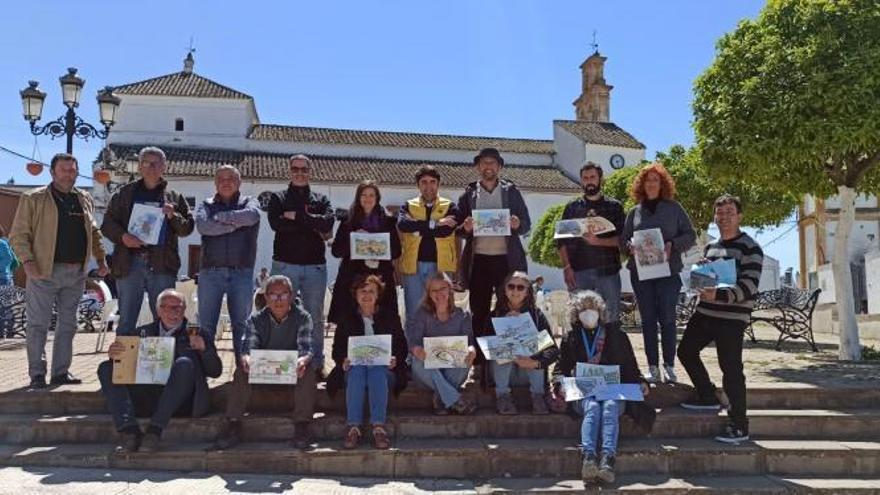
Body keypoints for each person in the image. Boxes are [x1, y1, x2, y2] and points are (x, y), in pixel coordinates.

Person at [10, 153, 108, 388]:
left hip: (76, 273)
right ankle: (36, 374)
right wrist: (28, 263)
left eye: (72, 170)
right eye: (63, 170)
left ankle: (60, 373)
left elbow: (93, 232)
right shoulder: (33, 198)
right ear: (52, 172)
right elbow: (19, 234)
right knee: (37, 324)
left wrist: (101, 258)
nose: (68, 174)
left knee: (68, 324)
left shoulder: (84, 198)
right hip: (44, 271)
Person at [678, 194, 764, 444]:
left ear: (740, 216)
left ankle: (739, 424)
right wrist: (702, 273)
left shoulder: (751, 248)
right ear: (715, 217)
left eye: (729, 211)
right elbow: (709, 279)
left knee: (731, 369)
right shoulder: (711, 247)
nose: (724, 216)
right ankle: (707, 394)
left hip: (732, 318)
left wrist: (720, 294)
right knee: (685, 351)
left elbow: (749, 287)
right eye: (720, 212)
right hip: (705, 312)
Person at [97, 289, 222, 452]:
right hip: (147, 395)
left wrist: (204, 350)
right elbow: (124, 366)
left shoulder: (197, 332)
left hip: (180, 400)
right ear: (158, 310)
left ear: (184, 310)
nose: (172, 312)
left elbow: (216, 371)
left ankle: (154, 431)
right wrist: (116, 355)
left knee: (184, 363)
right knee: (106, 368)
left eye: (178, 307)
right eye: (166, 307)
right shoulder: (141, 332)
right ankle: (129, 430)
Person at [551, 290, 653, 485]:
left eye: (592, 308)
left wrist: (641, 382)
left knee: (610, 407)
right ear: (575, 313)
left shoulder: (618, 336)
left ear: (601, 311)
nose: (588, 313)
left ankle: (608, 460)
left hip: (613, 391)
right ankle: (588, 457)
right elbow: (559, 369)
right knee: (592, 407)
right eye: (583, 309)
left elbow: (631, 367)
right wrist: (559, 385)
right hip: (584, 392)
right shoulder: (571, 337)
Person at [214, 275, 317, 450]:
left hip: (291, 374)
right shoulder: (255, 319)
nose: (278, 300)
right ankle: (233, 423)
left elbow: (306, 348)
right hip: (264, 374)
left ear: (291, 296)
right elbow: (248, 347)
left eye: (283, 294)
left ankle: (302, 425)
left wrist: (303, 360)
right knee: (240, 371)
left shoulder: (303, 317)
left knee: (308, 371)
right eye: (273, 295)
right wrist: (246, 358)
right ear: (266, 297)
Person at [101, 146, 194, 335]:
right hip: (129, 263)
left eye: (156, 163)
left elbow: (187, 229)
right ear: (140, 167)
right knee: (127, 318)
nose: (151, 167)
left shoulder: (175, 197)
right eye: (146, 163)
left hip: (162, 265)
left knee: (165, 318)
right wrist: (123, 237)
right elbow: (107, 225)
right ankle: (124, 363)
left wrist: (172, 216)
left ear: (164, 167)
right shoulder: (124, 194)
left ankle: (163, 362)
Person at [620, 162, 696, 384]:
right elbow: (623, 239)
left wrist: (673, 244)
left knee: (668, 319)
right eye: (647, 180)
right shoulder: (634, 213)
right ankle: (652, 367)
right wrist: (629, 247)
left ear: (662, 184)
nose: (651, 184)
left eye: (655, 180)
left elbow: (690, 235)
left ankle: (669, 366)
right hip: (641, 274)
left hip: (668, 272)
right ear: (641, 185)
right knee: (648, 321)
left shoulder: (674, 208)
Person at [458, 147, 532, 354]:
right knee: (479, 310)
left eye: (492, 163)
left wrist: (518, 223)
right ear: (477, 167)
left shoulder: (511, 192)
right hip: (479, 261)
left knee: (507, 308)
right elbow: (458, 230)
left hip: (506, 261)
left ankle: (508, 353)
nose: (487, 167)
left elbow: (526, 224)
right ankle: (482, 358)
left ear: (499, 167)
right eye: (484, 163)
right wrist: (465, 227)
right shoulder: (469, 193)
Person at [267, 154, 335, 373]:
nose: (299, 172)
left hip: (315, 266)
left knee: (314, 315)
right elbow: (277, 225)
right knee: (279, 312)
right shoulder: (277, 198)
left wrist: (296, 217)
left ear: (310, 171)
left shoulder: (321, 199)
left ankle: (315, 364)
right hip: (284, 265)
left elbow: (327, 223)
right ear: (289, 170)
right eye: (295, 169)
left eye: (304, 169)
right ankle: (281, 362)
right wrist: (311, 222)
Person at [328, 274, 408, 449]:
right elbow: (337, 349)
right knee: (357, 371)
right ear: (355, 294)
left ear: (378, 294)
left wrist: (395, 359)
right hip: (354, 369)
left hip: (385, 370)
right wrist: (343, 361)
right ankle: (353, 427)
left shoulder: (390, 317)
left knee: (377, 371)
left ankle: (378, 427)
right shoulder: (346, 318)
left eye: (371, 291)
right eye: (362, 291)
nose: (366, 295)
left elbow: (402, 346)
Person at [195, 165, 260, 362]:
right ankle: (206, 368)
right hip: (210, 274)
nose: (226, 182)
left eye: (231, 178)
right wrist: (236, 224)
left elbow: (252, 216)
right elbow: (204, 227)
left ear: (239, 182)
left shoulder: (250, 202)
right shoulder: (205, 204)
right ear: (215, 183)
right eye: (221, 178)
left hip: (242, 272)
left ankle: (242, 371)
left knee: (242, 324)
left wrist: (223, 218)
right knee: (206, 325)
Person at [557, 162, 626, 322]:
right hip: (578, 272)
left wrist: (598, 241)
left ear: (600, 179)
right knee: (579, 318)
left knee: (610, 318)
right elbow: (561, 241)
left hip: (608, 272)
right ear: (581, 181)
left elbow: (622, 240)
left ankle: (611, 347)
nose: (589, 181)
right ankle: (582, 348)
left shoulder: (614, 206)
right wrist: (567, 267)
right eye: (585, 178)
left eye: (593, 177)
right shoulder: (572, 208)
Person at [328, 181, 401, 325]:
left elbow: (397, 251)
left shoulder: (388, 221)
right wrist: (354, 239)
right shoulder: (348, 221)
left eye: (371, 195)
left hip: (381, 278)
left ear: (377, 197)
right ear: (358, 197)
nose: (368, 199)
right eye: (364, 195)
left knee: (382, 322)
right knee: (351, 324)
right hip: (352, 279)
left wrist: (379, 246)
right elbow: (336, 251)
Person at [405, 272, 477, 415]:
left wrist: (471, 349)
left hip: (453, 367)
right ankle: (455, 399)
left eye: (442, 288)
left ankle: (441, 398)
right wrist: (417, 349)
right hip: (428, 369)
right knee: (417, 361)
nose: (439, 293)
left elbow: (470, 342)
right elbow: (413, 342)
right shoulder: (421, 313)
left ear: (450, 289)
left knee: (466, 358)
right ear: (429, 293)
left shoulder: (462, 315)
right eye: (434, 290)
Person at [488, 271, 559, 415]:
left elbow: (553, 350)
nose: (515, 291)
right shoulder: (494, 315)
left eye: (520, 288)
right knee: (503, 349)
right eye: (511, 286)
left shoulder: (537, 316)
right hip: (504, 374)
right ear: (505, 289)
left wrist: (535, 363)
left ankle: (538, 397)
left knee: (536, 344)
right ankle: (503, 397)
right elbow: (485, 348)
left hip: (529, 373)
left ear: (527, 292)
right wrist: (504, 326)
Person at [397, 166, 459, 320]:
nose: (428, 186)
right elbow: (403, 225)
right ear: (418, 185)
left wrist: (417, 227)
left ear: (438, 184)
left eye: (432, 182)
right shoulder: (408, 205)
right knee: (414, 311)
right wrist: (435, 224)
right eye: (424, 182)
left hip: (441, 266)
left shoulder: (450, 206)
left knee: (441, 310)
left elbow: (445, 231)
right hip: (413, 266)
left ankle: (439, 344)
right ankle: (413, 344)